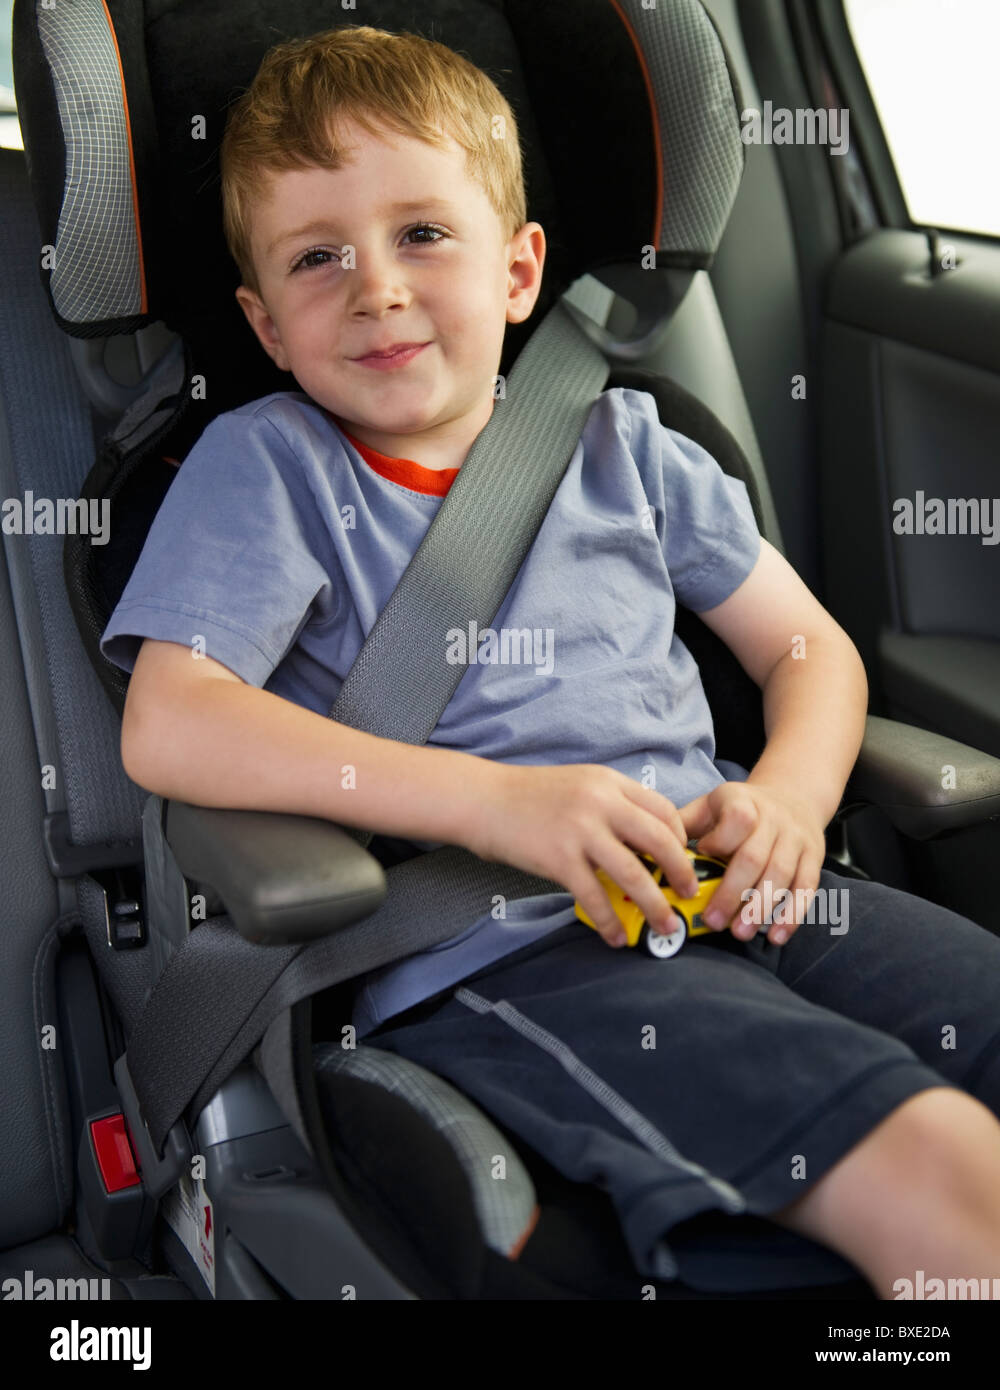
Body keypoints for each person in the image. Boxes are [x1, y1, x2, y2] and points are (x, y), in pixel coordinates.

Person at [100, 25, 1000, 1297]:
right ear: (263, 322)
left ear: (521, 268)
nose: (379, 288)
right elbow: (173, 722)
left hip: (745, 892)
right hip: (507, 949)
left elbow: (808, 650)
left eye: (422, 233)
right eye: (318, 258)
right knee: (940, 1169)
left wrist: (791, 798)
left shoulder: (634, 448)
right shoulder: (266, 470)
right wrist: (492, 799)